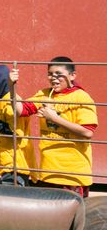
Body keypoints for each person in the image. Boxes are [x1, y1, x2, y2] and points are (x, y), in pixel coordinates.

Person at [19, 57, 98, 197]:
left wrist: (55, 118)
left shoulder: (82, 97)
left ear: (72, 76)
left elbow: (87, 132)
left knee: (72, 215)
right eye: (50, 74)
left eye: (58, 74)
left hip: (72, 173)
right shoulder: (44, 94)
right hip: (48, 171)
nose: (53, 78)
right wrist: (10, 85)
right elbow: (21, 110)